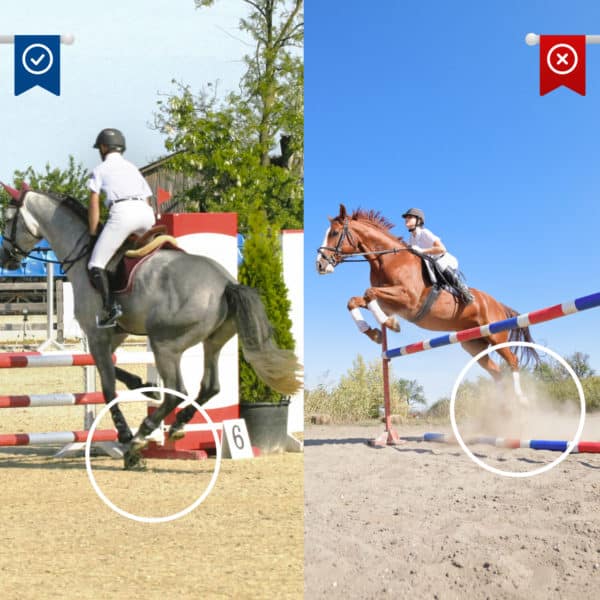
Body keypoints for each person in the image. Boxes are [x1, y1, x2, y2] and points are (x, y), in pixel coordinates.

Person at [87, 128, 156, 327]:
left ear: (103, 147)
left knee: (96, 264)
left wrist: (92, 234)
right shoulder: (132, 168)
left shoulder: (99, 170)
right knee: (144, 253)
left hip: (123, 213)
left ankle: (111, 308)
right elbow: (148, 199)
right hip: (145, 213)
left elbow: (93, 203)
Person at [402, 208, 474, 304]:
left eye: (410, 217)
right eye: (406, 218)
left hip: (443, 259)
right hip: (430, 263)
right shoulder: (411, 238)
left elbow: (442, 249)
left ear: (418, 220)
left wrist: (422, 251)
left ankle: (464, 290)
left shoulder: (425, 233)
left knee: (439, 263)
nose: (406, 219)